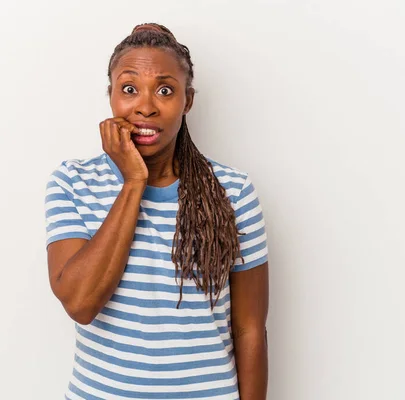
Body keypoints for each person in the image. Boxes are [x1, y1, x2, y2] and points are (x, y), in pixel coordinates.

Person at [44, 22, 269, 400]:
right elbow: (80, 303)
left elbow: (249, 328)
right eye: (129, 89)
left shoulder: (233, 190)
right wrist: (134, 181)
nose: (145, 106)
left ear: (188, 100)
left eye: (165, 90)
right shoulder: (73, 182)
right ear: (111, 96)